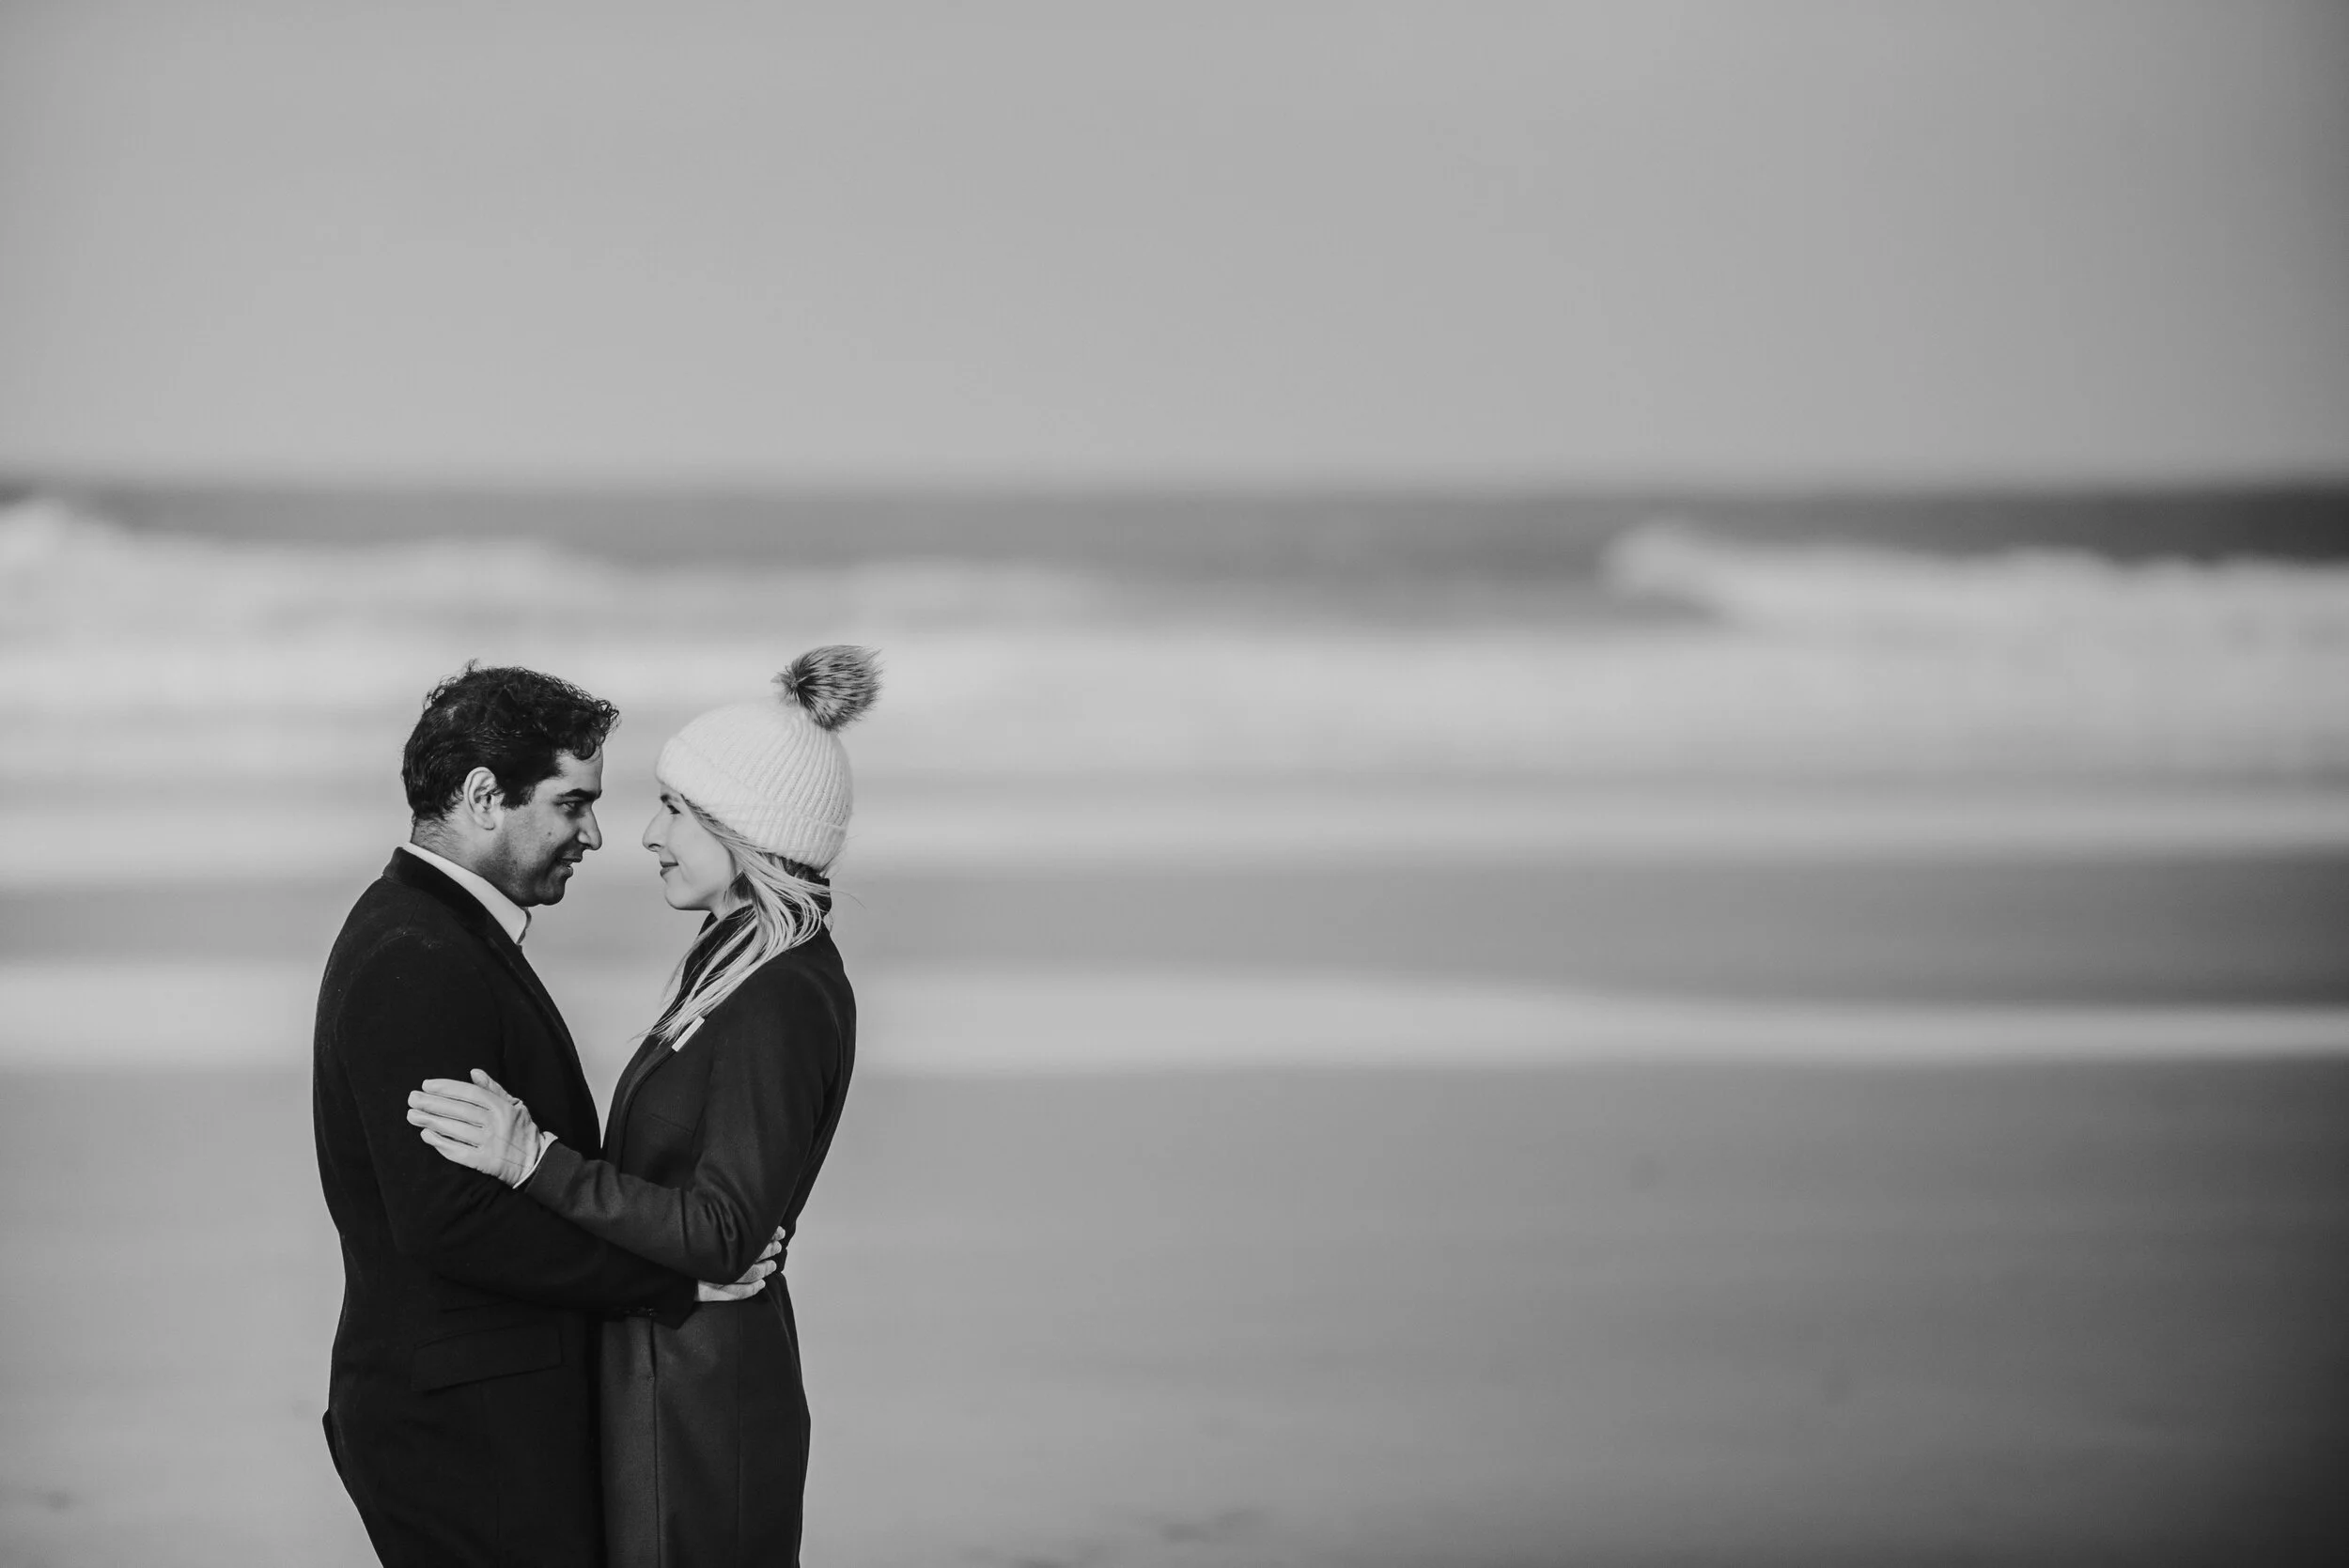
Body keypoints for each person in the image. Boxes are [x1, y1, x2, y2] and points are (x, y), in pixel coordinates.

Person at [406, 645, 879, 1568]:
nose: (650, 836)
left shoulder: (780, 992)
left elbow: (721, 1235)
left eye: (676, 811)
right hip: (663, 1374)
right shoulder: (730, 958)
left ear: (742, 830)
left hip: (701, 1402)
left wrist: (529, 1159)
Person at [313, 664, 778, 1568]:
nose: (596, 833)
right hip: (464, 1428)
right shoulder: (417, 958)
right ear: (486, 796)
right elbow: (449, 1220)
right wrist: (667, 1283)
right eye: (572, 804)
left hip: (476, 1411)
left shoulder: (437, 933)